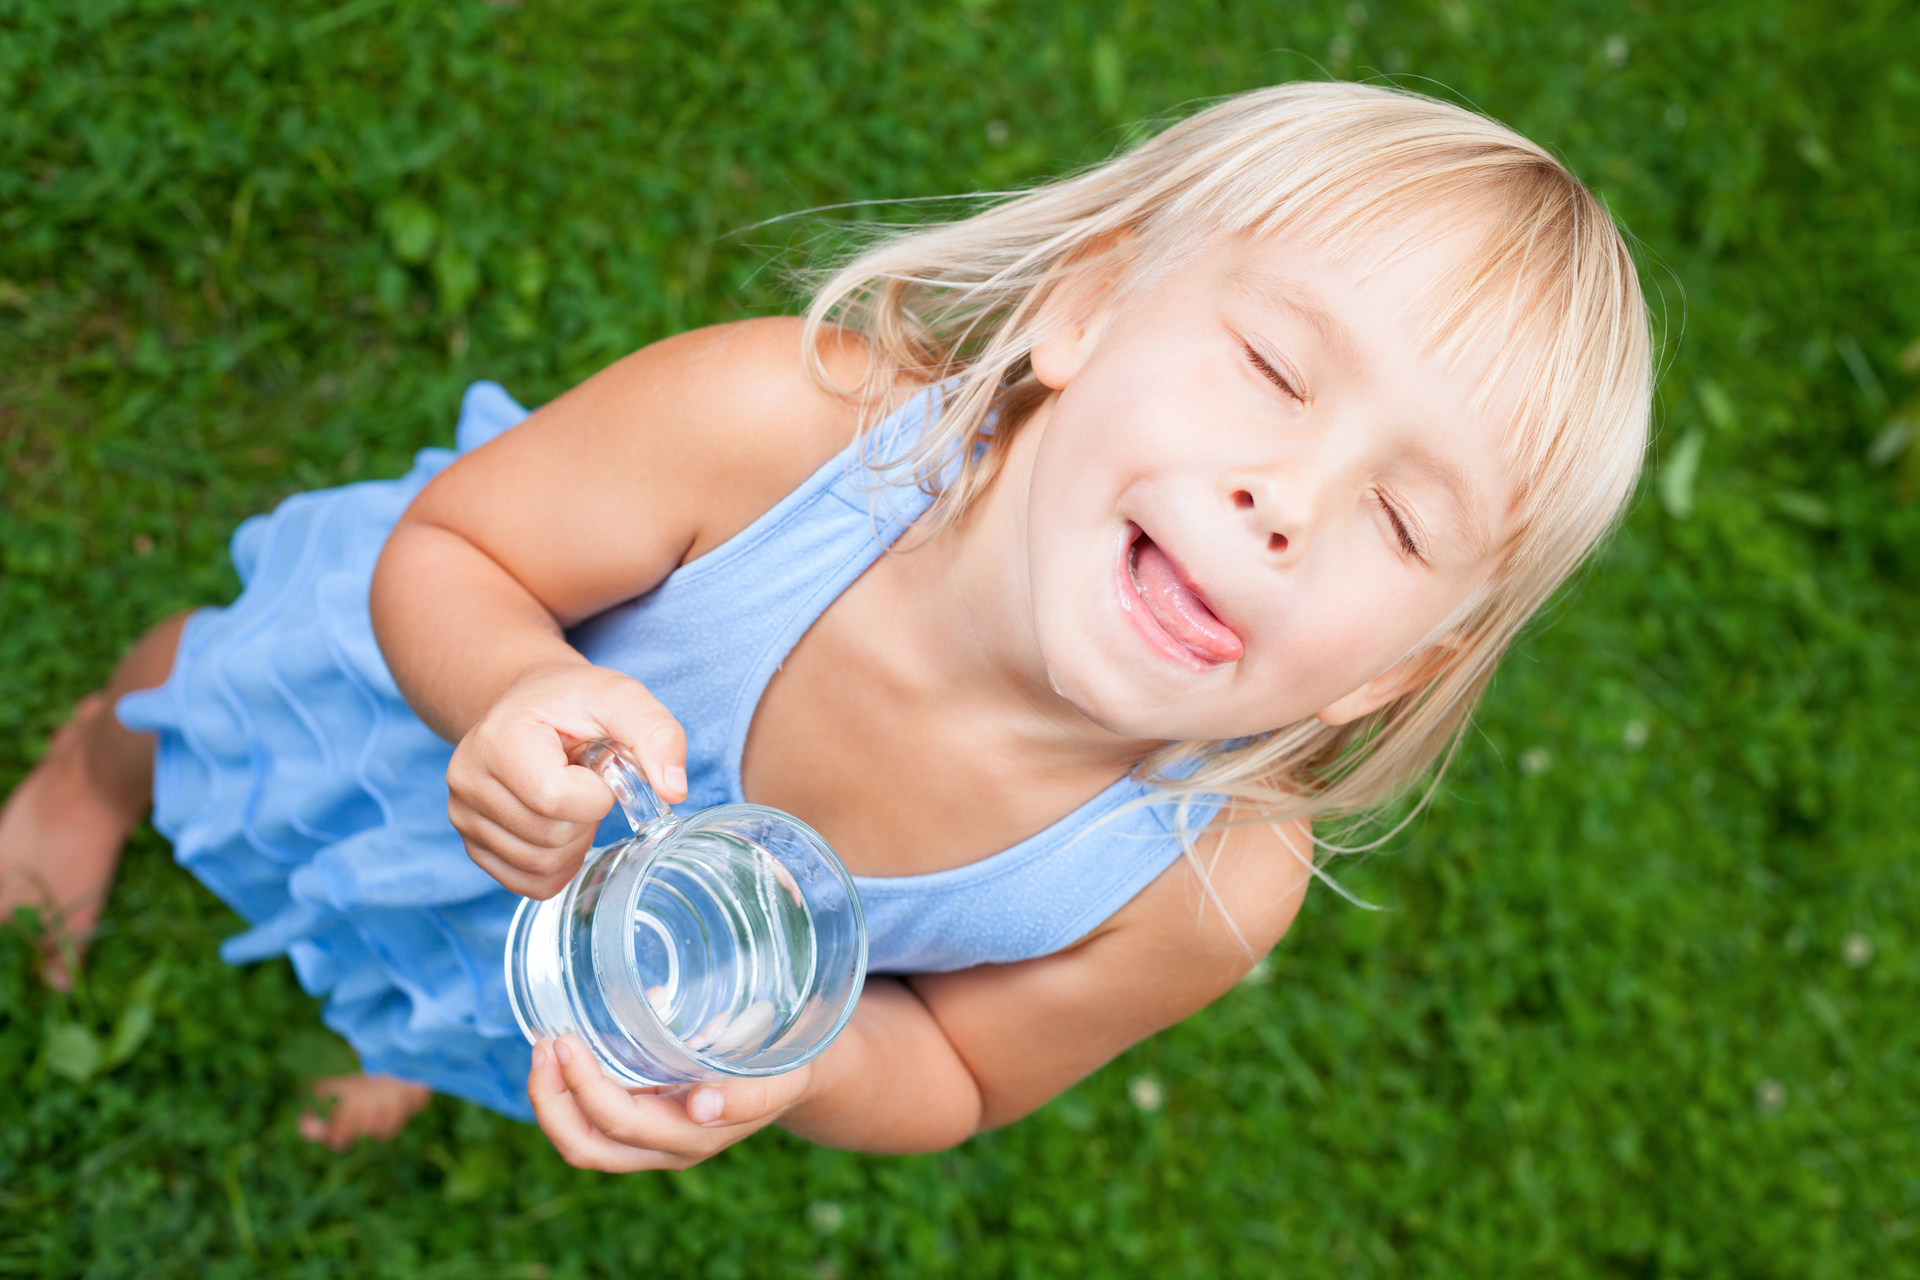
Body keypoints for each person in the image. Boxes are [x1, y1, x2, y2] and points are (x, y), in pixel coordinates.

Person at [0, 82, 1650, 1167]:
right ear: (1087, 304)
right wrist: (507, 684)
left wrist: (804, 1072)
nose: (1287, 500)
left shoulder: (1208, 883)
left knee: (457, 987)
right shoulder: (782, 431)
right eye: (1279, 370)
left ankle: (401, 1020)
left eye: (1402, 522)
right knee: (215, 698)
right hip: (397, 707)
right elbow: (456, 550)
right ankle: (89, 778)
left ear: (1407, 659)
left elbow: (963, 1074)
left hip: (610, 968)